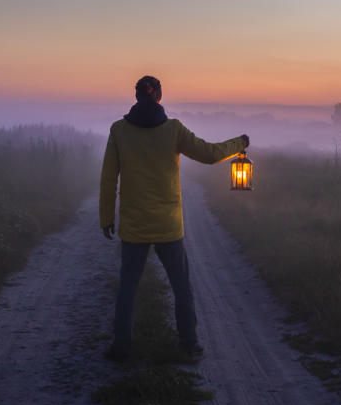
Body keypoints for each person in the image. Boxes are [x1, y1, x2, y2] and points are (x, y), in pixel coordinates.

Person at [99, 75, 249, 361]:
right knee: (181, 287)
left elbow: (108, 179)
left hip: (134, 227)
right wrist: (239, 143)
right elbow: (209, 153)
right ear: (159, 97)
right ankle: (189, 345)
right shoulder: (173, 130)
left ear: (136, 97)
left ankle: (121, 348)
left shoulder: (119, 130)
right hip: (169, 226)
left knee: (128, 289)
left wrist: (106, 217)